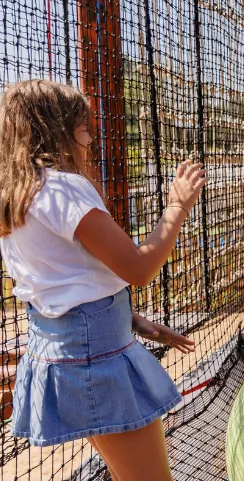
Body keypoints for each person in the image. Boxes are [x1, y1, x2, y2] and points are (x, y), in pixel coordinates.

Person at [0, 79, 204, 480]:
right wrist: (177, 206)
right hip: (94, 356)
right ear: (56, 129)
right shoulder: (62, 188)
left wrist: (132, 320)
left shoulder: (16, 195)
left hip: (63, 347)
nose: (90, 138)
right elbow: (138, 268)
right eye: (83, 127)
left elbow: (62, 279)